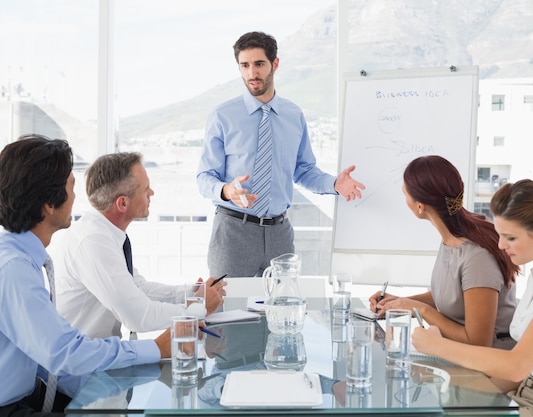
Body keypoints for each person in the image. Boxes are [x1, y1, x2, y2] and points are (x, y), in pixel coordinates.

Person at [0, 135, 171, 416]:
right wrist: (153, 348)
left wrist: (106, 384)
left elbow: (41, 355)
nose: (77, 197)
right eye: (71, 187)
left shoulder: (22, 257)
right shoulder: (13, 267)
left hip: (34, 391)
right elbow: (64, 351)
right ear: (48, 204)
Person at [412, 179, 533, 417]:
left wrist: (438, 346)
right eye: (499, 235)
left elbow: (517, 366)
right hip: (526, 393)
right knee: (437, 403)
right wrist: (452, 384)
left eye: (510, 238)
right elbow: (520, 373)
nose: (501, 245)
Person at [196, 31, 365, 277]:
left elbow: (303, 170)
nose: (252, 73)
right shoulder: (222, 116)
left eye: (259, 64)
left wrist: (334, 183)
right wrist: (226, 190)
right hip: (233, 233)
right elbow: (204, 177)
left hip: (279, 234)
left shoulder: (293, 115)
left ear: (275, 64)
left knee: (284, 310)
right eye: (245, 65)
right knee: (228, 310)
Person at [49, 152, 226, 339]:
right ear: (122, 203)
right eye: (145, 189)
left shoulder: (105, 234)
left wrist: (191, 292)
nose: (152, 193)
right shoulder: (93, 241)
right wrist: (198, 309)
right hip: (83, 363)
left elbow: (137, 288)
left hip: (101, 354)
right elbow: (138, 316)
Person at [369, 155, 519, 349]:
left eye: (405, 194)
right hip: (459, 355)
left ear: (420, 206)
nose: (404, 199)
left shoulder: (477, 257)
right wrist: (399, 302)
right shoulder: (454, 238)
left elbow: (479, 342)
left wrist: (418, 308)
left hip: (488, 367)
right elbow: (452, 296)